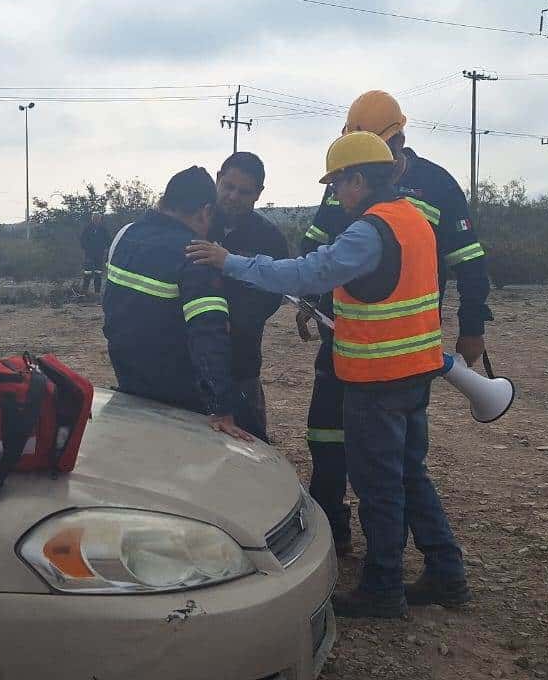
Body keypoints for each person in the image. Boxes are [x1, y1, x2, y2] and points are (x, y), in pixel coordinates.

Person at [188, 132, 469, 618]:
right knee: (410, 474)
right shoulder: (414, 221)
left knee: (379, 486)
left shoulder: (369, 230)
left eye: (338, 182)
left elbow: (305, 274)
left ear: (359, 179)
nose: (335, 193)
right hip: (414, 374)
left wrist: (228, 262)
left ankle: (383, 588)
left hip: (376, 377)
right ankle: (447, 572)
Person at [300, 90, 494, 556]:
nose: (347, 183)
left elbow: (469, 261)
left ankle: (387, 575)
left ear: (399, 140)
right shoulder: (346, 183)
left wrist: (471, 326)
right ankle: (334, 530)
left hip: (400, 344)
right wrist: (307, 301)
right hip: (343, 332)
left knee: (391, 465)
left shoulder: (438, 186)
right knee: (326, 431)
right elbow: (316, 249)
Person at [102, 166, 255, 443]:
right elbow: (209, 336)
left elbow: (111, 305)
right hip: (180, 395)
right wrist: (221, 408)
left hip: (130, 382)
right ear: (205, 211)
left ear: (164, 202)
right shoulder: (196, 254)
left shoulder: (124, 236)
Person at [212, 151, 290, 443]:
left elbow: (272, 295)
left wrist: (234, 322)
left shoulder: (269, 239)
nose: (233, 196)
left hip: (241, 362)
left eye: (244, 192)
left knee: (252, 443)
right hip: (189, 359)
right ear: (217, 179)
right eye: (228, 186)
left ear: (258, 194)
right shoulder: (196, 223)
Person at [79, 213, 112, 294]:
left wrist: (105, 249)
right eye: (95, 218)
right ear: (92, 219)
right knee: (87, 274)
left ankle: (97, 293)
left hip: (99, 256)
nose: (96, 220)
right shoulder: (87, 229)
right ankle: (84, 293)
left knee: (98, 274)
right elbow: (82, 241)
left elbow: (109, 241)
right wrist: (87, 249)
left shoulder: (103, 230)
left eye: (98, 218)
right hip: (89, 255)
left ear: (100, 219)